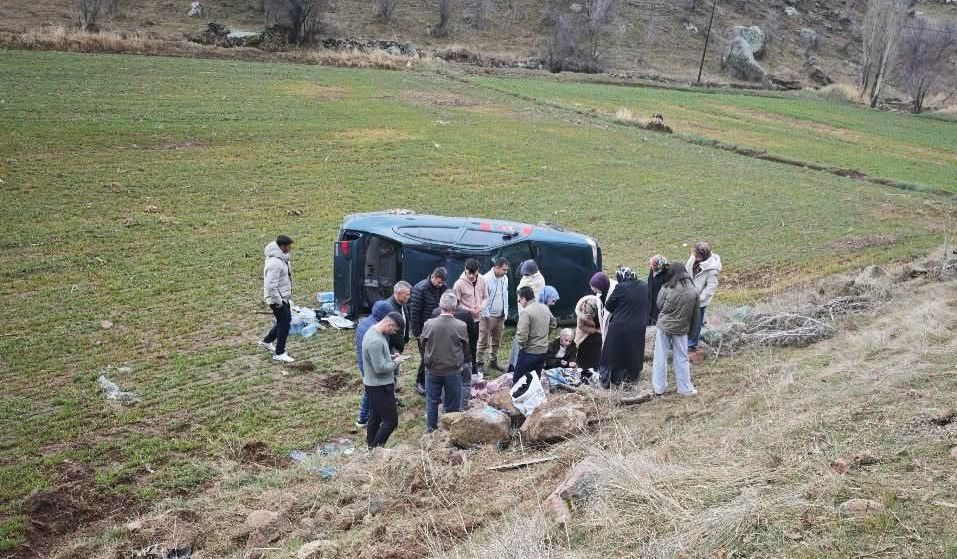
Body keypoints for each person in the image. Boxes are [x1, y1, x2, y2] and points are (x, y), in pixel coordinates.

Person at [421, 292, 470, 432]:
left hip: (432, 369)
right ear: (455, 308)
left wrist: (429, 356)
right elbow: (466, 347)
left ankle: (431, 430)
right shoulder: (461, 325)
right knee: (453, 403)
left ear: (440, 306)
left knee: (432, 401)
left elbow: (422, 342)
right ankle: (450, 431)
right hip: (453, 371)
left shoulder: (428, 324)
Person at [652, 263, 700, 396]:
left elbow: (659, 304)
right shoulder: (694, 290)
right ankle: (685, 388)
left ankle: (659, 388)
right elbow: (696, 315)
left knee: (660, 357)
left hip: (664, 327)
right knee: (682, 358)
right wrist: (691, 333)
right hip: (682, 329)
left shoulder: (667, 288)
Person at [362, 311, 407, 448]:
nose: (394, 332)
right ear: (389, 324)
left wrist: (391, 357)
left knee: (375, 418)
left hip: (374, 384)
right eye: (394, 329)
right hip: (379, 386)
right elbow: (380, 368)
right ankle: (376, 448)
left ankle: (371, 446)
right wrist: (396, 362)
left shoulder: (373, 332)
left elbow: (379, 358)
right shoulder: (375, 340)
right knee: (391, 421)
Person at [600, 266, 650, 387]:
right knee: (634, 353)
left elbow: (608, 306)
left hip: (620, 326)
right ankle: (632, 379)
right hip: (639, 326)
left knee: (615, 354)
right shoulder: (643, 286)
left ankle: (615, 381)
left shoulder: (621, 287)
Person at [354, 301, 394, 428]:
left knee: (369, 390)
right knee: (372, 392)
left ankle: (364, 417)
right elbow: (378, 353)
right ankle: (367, 418)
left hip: (363, 361)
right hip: (371, 365)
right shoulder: (376, 330)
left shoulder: (364, 322)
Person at [431, 303, 478, 410]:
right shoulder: (466, 314)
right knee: (465, 383)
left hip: (444, 357)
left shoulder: (435, 313)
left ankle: (446, 408)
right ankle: (462, 409)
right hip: (464, 356)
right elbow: (472, 336)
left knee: (445, 384)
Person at [410, 267, 449, 394]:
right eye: (438, 282)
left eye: (442, 282)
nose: (440, 285)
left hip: (439, 329)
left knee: (436, 356)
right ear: (433, 277)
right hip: (424, 330)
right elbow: (414, 313)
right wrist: (417, 333)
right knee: (426, 357)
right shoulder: (419, 289)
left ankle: (433, 381)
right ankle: (420, 382)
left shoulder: (444, 288)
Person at [259, 235, 296, 363]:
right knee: (284, 323)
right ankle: (279, 352)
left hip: (282, 296)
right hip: (277, 299)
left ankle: (267, 341)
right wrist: (279, 301)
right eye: (289, 246)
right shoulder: (275, 263)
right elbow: (270, 285)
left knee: (284, 321)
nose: (290, 248)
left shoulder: (282, 259)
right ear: (282, 247)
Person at [513, 286, 557, 383]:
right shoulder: (545, 307)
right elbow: (553, 323)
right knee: (535, 379)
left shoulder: (526, 312)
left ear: (524, 299)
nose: (519, 302)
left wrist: (523, 346)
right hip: (543, 350)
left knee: (518, 380)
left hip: (529, 351)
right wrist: (545, 334)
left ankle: (519, 397)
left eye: (519, 300)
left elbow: (522, 334)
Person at [453, 258, 487, 378]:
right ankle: (459, 369)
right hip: (462, 320)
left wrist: (480, 306)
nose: (472, 276)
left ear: (478, 270)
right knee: (461, 345)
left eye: (474, 273)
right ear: (465, 270)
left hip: (477, 319)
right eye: (469, 273)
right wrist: (468, 310)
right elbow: (456, 304)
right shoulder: (458, 284)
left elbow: (485, 297)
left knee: (473, 345)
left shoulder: (482, 280)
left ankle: (473, 369)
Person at [686, 242, 722, 351]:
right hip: (688, 295)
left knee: (697, 321)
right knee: (688, 319)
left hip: (700, 300)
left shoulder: (712, 269)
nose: (695, 257)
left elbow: (711, 287)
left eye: (697, 256)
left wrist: (699, 298)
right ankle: (685, 338)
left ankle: (692, 343)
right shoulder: (693, 258)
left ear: (703, 256)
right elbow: (686, 271)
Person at [478, 257, 509, 372]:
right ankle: (479, 363)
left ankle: (493, 361)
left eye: (506, 270)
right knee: (483, 340)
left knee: (497, 340)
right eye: (504, 269)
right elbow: (481, 299)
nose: (505, 272)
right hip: (487, 316)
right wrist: (485, 315)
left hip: (500, 316)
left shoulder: (504, 278)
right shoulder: (485, 279)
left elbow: (505, 296)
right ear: (496, 267)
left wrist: (505, 313)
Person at [386, 281, 412, 392]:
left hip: (398, 345)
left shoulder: (402, 304)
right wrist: (397, 347)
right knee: (391, 373)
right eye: (407, 294)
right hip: (392, 347)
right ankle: (390, 397)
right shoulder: (390, 307)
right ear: (398, 293)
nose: (409, 297)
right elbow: (389, 332)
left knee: (395, 371)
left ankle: (393, 394)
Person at [647, 255, 670, 325]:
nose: (651, 266)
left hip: (660, 300)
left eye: (653, 264)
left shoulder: (666, 274)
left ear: (659, 265)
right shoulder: (653, 270)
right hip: (651, 298)